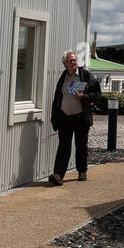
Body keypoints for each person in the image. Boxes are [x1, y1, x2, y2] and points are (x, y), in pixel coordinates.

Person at [49, 50, 100, 185]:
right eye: (71, 61)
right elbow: (57, 98)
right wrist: (55, 118)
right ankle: (58, 175)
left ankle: (82, 171)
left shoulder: (85, 75)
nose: (74, 63)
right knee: (63, 147)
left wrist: (84, 97)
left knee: (81, 146)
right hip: (65, 118)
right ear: (65, 63)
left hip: (80, 118)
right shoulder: (63, 77)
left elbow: (97, 94)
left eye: (75, 60)